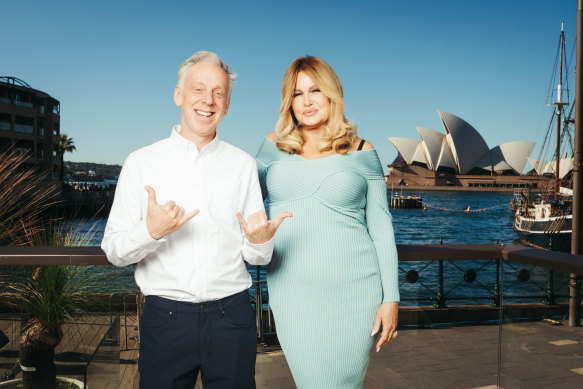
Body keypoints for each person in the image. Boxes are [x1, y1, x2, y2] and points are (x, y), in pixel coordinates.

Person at [101, 51, 290, 389]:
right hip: (165, 320)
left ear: (228, 104)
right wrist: (151, 231)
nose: (208, 100)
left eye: (219, 92)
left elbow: (256, 258)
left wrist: (261, 241)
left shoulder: (243, 164)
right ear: (179, 95)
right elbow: (114, 251)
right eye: (198, 89)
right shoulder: (141, 162)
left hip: (232, 318)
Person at [255, 56, 399, 388]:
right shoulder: (274, 146)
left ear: (332, 94)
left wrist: (391, 299)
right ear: (288, 102)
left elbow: (380, 225)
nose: (306, 101)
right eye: (297, 93)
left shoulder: (362, 150)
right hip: (293, 295)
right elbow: (240, 202)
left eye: (315, 90)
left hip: (356, 294)